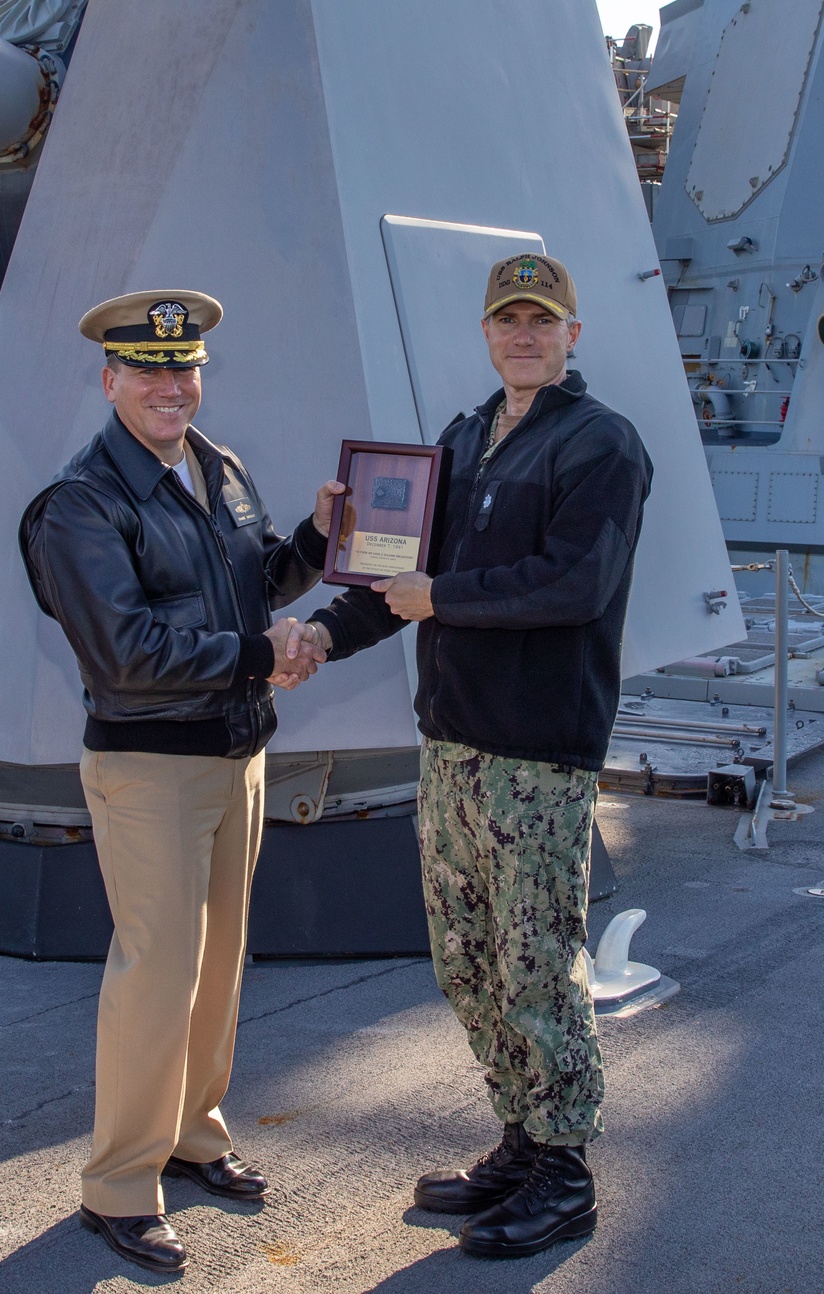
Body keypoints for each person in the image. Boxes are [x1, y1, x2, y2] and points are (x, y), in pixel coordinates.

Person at [299, 253, 653, 1259]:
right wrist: (323, 631)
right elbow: (395, 574)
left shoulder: (600, 446)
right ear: (488, 332)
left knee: (538, 964)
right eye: (509, 319)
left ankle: (566, 1171)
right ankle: (520, 1139)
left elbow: (572, 583)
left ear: (572, 334)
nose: (524, 334)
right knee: (468, 964)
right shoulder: (463, 439)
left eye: (543, 320)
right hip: (451, 743)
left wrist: (440, 598)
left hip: (537, 753)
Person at [19, 290, 339, 1275]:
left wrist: (320, 546)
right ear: (109, 379)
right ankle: (119, 1184)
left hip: (235, 755)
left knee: (216, 964)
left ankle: (195, 1134)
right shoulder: (81, 504)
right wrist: (262, 652)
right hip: (149, 766)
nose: (169, 385)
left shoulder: (217, 466)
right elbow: (126, 652)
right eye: (147, 370)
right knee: (156, 973)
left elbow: (252, 582)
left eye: (183, 367)